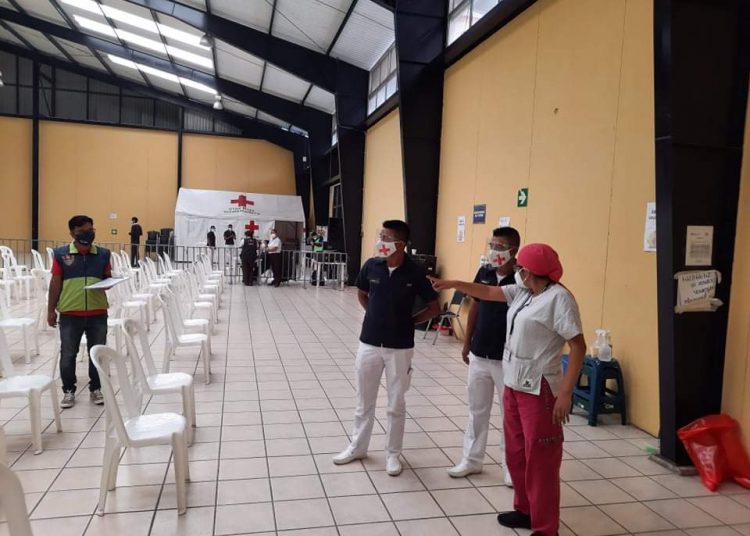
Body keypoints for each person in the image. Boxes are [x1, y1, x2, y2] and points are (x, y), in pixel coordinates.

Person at [429, 243, 586, 536]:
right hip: (513, 383)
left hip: (540, 389)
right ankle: (525, 510)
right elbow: (488, 292)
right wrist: (452, 284)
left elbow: (578, 346)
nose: (517, 271)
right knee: (516, 453)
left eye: (520, 267)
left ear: (532, 270)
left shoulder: (559, 299)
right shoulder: (524, 292)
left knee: (541, 459)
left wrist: (565, 393)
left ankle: (545, 527)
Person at [334, 220, 441, 476]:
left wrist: (409, 322)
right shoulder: (372, 265)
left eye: (387, 238)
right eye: (380, 236)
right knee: (364, 400)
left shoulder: (415, 272)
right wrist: (373, 314)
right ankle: (357, 447)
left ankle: (393, 454)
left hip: (400, 347)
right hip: (369, 342)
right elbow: (362, 292)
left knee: (396, 403)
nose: (381, 242)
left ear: (401, 244)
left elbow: (434, 307)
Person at [448, 227, 520, 485]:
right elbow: (475, 308)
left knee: (509, 415)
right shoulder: (485, 272)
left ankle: (511, 467)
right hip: (479, 353)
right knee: (476, 410)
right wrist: (466, 343)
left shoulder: (521, 278)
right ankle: (472, 459)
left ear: (513, 250)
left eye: (500, 247)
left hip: (507, 358)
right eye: (492, 245)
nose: (494, 251)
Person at [47, 215, 112, 409]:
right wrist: (51, 310)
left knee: (97, 353)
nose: (87, 234)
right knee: (68, 353)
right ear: (72, 233)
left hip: (97, 312)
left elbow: (107, 278)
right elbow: (55, 283)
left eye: (90, 230)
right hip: (70, 312)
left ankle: (96, 388)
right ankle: (68, 390)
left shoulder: (103, 254)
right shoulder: (61, 254)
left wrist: (108, 283)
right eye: (82, 231)